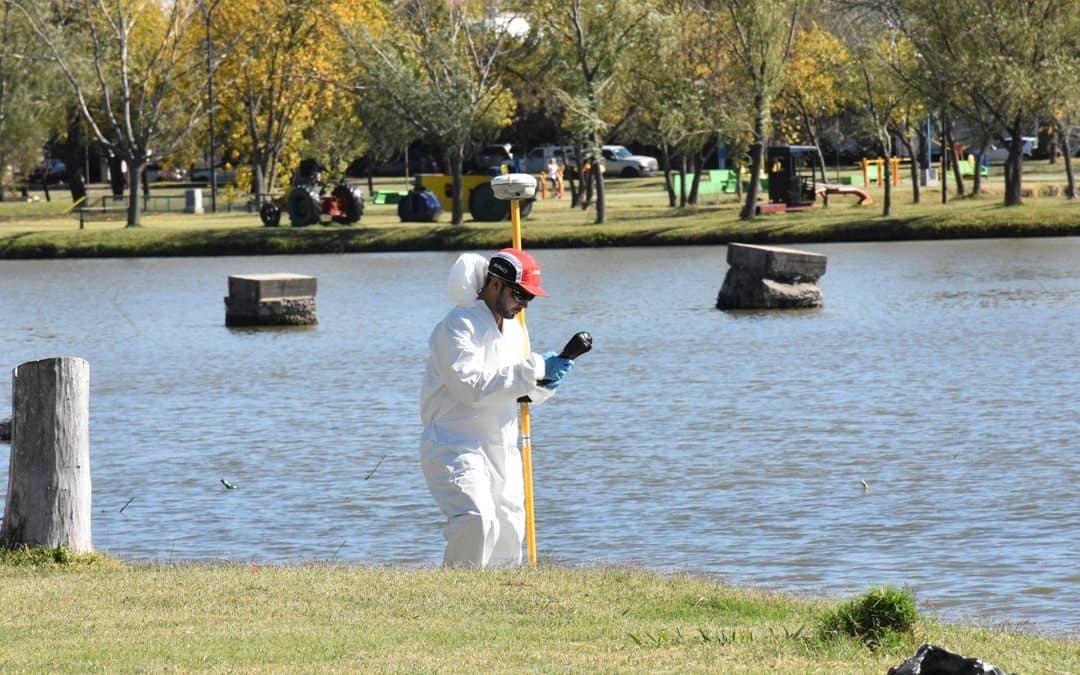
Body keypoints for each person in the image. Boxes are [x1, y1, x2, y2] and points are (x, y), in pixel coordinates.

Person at [420, 248, 574, 568]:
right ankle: (456, 596)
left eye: (530, 298)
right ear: (495, 285)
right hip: (455, 444)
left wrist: (541, 387)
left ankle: (500, 599)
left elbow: (514, 392)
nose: (524, 304)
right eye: (520, 294)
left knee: (509, 525)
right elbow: (471, 388)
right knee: (477, 520)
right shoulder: (456, 327)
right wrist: (529, 372)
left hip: (501, 446)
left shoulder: (515, 331)